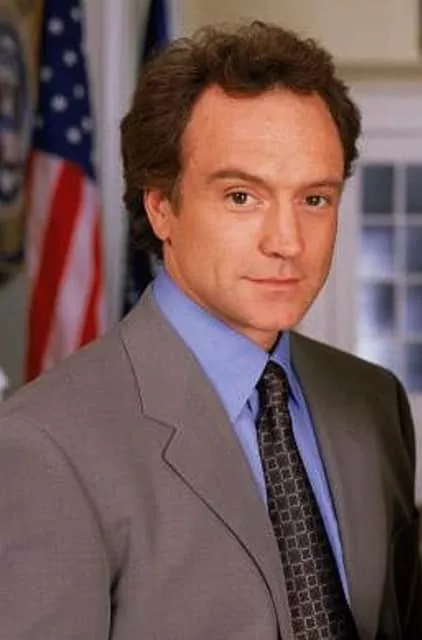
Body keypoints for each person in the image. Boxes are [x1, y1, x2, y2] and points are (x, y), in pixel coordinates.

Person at [0, 20, 421, 640]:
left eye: (314, 199)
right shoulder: (43, 446)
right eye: (242, 197)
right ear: (161, 206)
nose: (287, 242)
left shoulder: (373, 402)